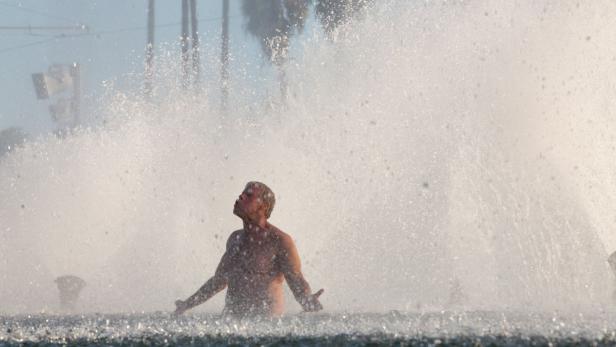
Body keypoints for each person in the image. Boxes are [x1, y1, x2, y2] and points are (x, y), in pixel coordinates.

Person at [174, 181, 323, 318]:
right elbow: (219, 281)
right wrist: (187, 304)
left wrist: (307, 300)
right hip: (231, 327)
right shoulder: (235, 239)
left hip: (267, 330)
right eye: (243, 193)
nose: (241, 196)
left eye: (249, 195)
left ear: (263, 206)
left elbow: (296, 279)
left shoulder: (280, 241)